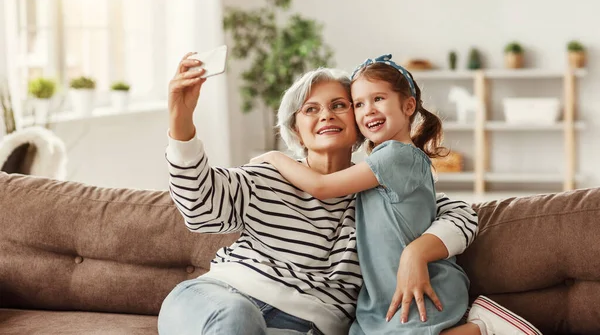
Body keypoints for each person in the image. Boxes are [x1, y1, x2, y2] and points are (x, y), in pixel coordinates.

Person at [158, 52, 478, 335]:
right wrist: (181, 120)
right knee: (238, 318)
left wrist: (417, 252)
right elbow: (200, 209)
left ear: (356, 122)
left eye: (339, 105)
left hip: (307, 325)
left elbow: (461, 214)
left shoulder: (376, 190)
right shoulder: (269, 175)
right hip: (220, 299)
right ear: (296, 129)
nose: (326, 115)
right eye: (311, 109)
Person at [250, 54, 543, 335]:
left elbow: (323, 188)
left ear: (408, 106)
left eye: (378, 98)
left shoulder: (397, 157)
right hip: (381, 292)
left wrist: (276, 158)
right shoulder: (377, 163)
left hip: (422, 285)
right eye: (359, 104)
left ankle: (484, 327)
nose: (369, 110)